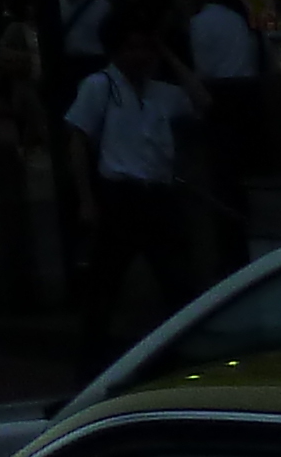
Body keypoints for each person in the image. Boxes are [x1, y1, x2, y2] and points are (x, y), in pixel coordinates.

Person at [65, 20, 197, 369]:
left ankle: (178, 355)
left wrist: (167, 53)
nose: (140, 56)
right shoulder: (101, 86)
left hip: (157, 195)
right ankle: (91, 361)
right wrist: (87, 200)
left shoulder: (161, 92)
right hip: (120, 196)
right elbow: (77, 140)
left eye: (145, 48)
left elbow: (202, 100)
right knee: (105, 286)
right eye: (132, 48)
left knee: (178, 283)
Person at [177, 0, 264, 273]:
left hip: (220, 100)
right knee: (240, 178)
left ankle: (231, 255)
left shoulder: (201, 23)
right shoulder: (235, 17)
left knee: (222, 182)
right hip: (247, 96)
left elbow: (203, 71)